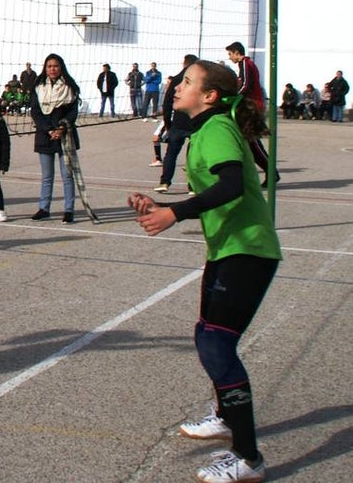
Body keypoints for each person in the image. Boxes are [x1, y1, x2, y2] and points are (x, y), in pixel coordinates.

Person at [127, 59, 281, 483]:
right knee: (207, 335)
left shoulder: (215, 129)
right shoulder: (206, 129)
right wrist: (161, 207)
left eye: (187, 82)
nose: (177, 85)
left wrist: (173, 213)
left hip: (247, 250)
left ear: (210, 96)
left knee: (216, 345)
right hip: (229, 248)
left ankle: (248, 460)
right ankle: (225, 416)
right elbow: (220, 192)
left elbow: (231, 185)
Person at [30, 53, 79, 223]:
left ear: (61, 67)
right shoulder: (38, 86)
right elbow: (35, 111)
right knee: (47, 176)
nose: (52, 69)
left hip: (65, 135)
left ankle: (69, 210)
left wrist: (61, 128)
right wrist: (49, 130)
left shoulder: (70, 86)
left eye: (55, 66)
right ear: (45, 68)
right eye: (49, 66)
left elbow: (73, 112)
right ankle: (44, 208)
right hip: (45, 135)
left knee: (67, 175)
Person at [226, 42, 277, 186]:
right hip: (252, 104)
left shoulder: (245, 64)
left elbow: (246, 85)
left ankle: (271, 172)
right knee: (249, 141)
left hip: (252, 105)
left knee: (251, 141)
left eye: (230, 54)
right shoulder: (246, 64)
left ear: (237, 52)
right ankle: (271, 172)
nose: (230, 57)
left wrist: (235, 96)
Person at [155, 55, 199, 194]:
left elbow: (167, 103)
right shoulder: (197, 80)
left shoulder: (175, 80)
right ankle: (192, 186)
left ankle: (164, 182)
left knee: (171, 154)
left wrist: (168, 124)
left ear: (183, 64)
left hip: (178, 123)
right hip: (194, 122)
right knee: (193, 156)